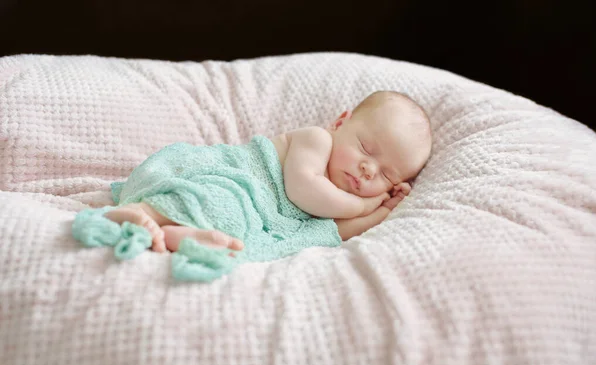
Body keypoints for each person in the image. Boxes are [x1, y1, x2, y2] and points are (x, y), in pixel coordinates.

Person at [104, 90, 432, 255]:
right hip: (229, 175)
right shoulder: (317, 140)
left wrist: (383, 212)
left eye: (386, 175)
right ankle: (137, 211)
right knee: (217, 198)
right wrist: (364, 205)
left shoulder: (337, 203)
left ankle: (180, 233)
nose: (368, 169)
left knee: (234, 220)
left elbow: (335, 231)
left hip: (247, 206)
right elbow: (304, 189)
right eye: (366, 148)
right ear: (340, 123)